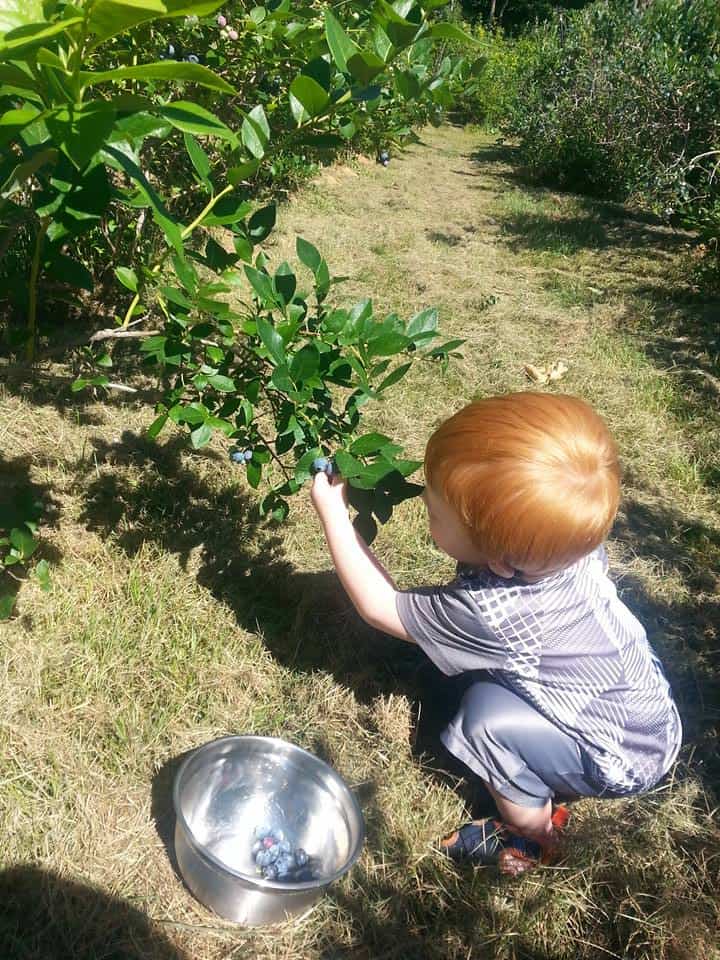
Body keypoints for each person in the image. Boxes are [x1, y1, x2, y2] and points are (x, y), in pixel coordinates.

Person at [310, 392, 682, 875]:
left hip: (617, 758)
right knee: (492, 687)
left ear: (501, 564)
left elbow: (380, 608)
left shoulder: (490, 612)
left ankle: (534, 836)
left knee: (482, 721)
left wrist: (334, 515)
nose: (425, 501)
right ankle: (548, 771)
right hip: (648, 723)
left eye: (435, 514)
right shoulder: (567, 549)